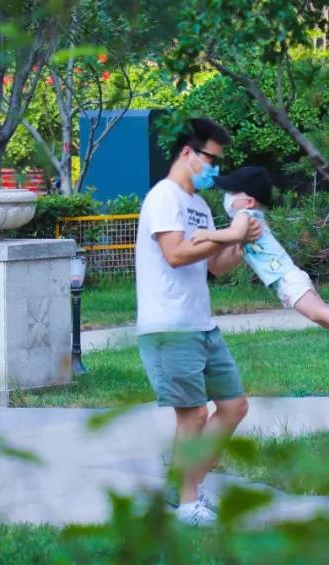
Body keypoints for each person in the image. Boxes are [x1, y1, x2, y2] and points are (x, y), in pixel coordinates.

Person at [134, 117, 262, 526]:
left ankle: (182, 487)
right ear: (187, 153)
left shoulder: (200, 207)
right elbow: (174, 253)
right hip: (168, 327)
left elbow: (215, 268)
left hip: (201, 325)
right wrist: (227, 233)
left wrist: (240, 241)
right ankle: (188, 503)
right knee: (192, 416)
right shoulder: (164, 198)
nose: (215, 170)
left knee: (233, 406)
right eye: (211, 160)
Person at [191, 166, 329, 375]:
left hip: (287, 279)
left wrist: (207, 234)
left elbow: (235, 234)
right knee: (321, 316)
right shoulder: (251, 216)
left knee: (319, 314)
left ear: (249, 201)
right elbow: (229, 251)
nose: (227, 198)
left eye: (232, 193)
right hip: (288, 278)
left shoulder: (245, 215)